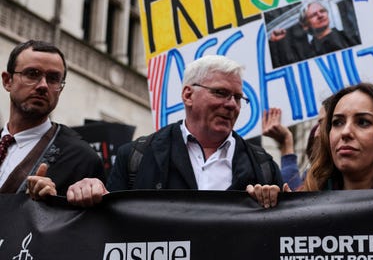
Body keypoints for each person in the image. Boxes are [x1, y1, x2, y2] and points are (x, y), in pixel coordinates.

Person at [30, 55, 283, 206]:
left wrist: (273, 201)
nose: (231, 104)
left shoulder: (264, 166)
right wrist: (86, 192)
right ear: (188, 94)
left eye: (238, 98)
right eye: (221, 93)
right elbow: (108, 227)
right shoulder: (135, 157)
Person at [248, 83, 373, 207]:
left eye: (363, 122)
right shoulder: (306, 199)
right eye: (337, 122)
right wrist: (273, 209)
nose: (345, 132)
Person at [0, 40, 104, 198]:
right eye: (32, 74)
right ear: (8, 81)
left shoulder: (81, 158)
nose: (43, 85)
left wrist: (50, 207)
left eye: (53, 79)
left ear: (60, 89)